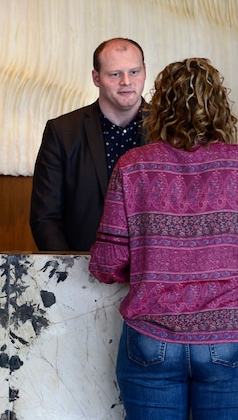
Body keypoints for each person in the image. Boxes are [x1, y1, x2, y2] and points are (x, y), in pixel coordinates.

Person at [90, 58, 238, 419]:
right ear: (219, 104)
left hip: (151, 338)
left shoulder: (132, 165)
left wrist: (152, 264)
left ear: (161, 106)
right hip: (228, 339)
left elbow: (106, 265)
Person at [30, 37, 147, 251]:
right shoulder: (62, 132)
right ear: (96, 77)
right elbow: (45, 217)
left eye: (134, 72)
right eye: (115, 74)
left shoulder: (171, 130)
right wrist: (69, 275)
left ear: (145, 71)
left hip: (153, 274)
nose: (126, 82)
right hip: (82, 271)